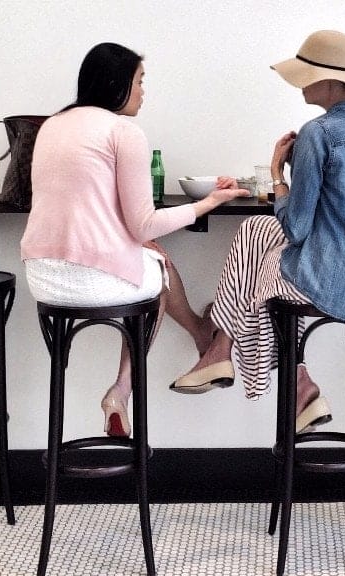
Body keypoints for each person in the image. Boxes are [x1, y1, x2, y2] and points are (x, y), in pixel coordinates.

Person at [171, 30, 345, 434]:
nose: (301, 84)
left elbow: (296, 227)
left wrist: (279, 172)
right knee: (257, 232)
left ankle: (226, 352)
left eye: (308, 74)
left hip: (334, 283)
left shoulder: (320, 132)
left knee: (260, 276)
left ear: (330, 80)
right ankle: (293, 383)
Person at [20, 42, 248, 437]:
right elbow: (143, 224)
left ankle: (201, 335)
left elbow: (88, 207)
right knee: (155, 271)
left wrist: (137, 242)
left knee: (150, 257)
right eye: (140, 81)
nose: (144, 91)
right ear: (118, 83)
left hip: (42, 276)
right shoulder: (123, 132)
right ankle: (122, 391)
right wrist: (209, 202)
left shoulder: (52, 125)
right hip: (89, 279)